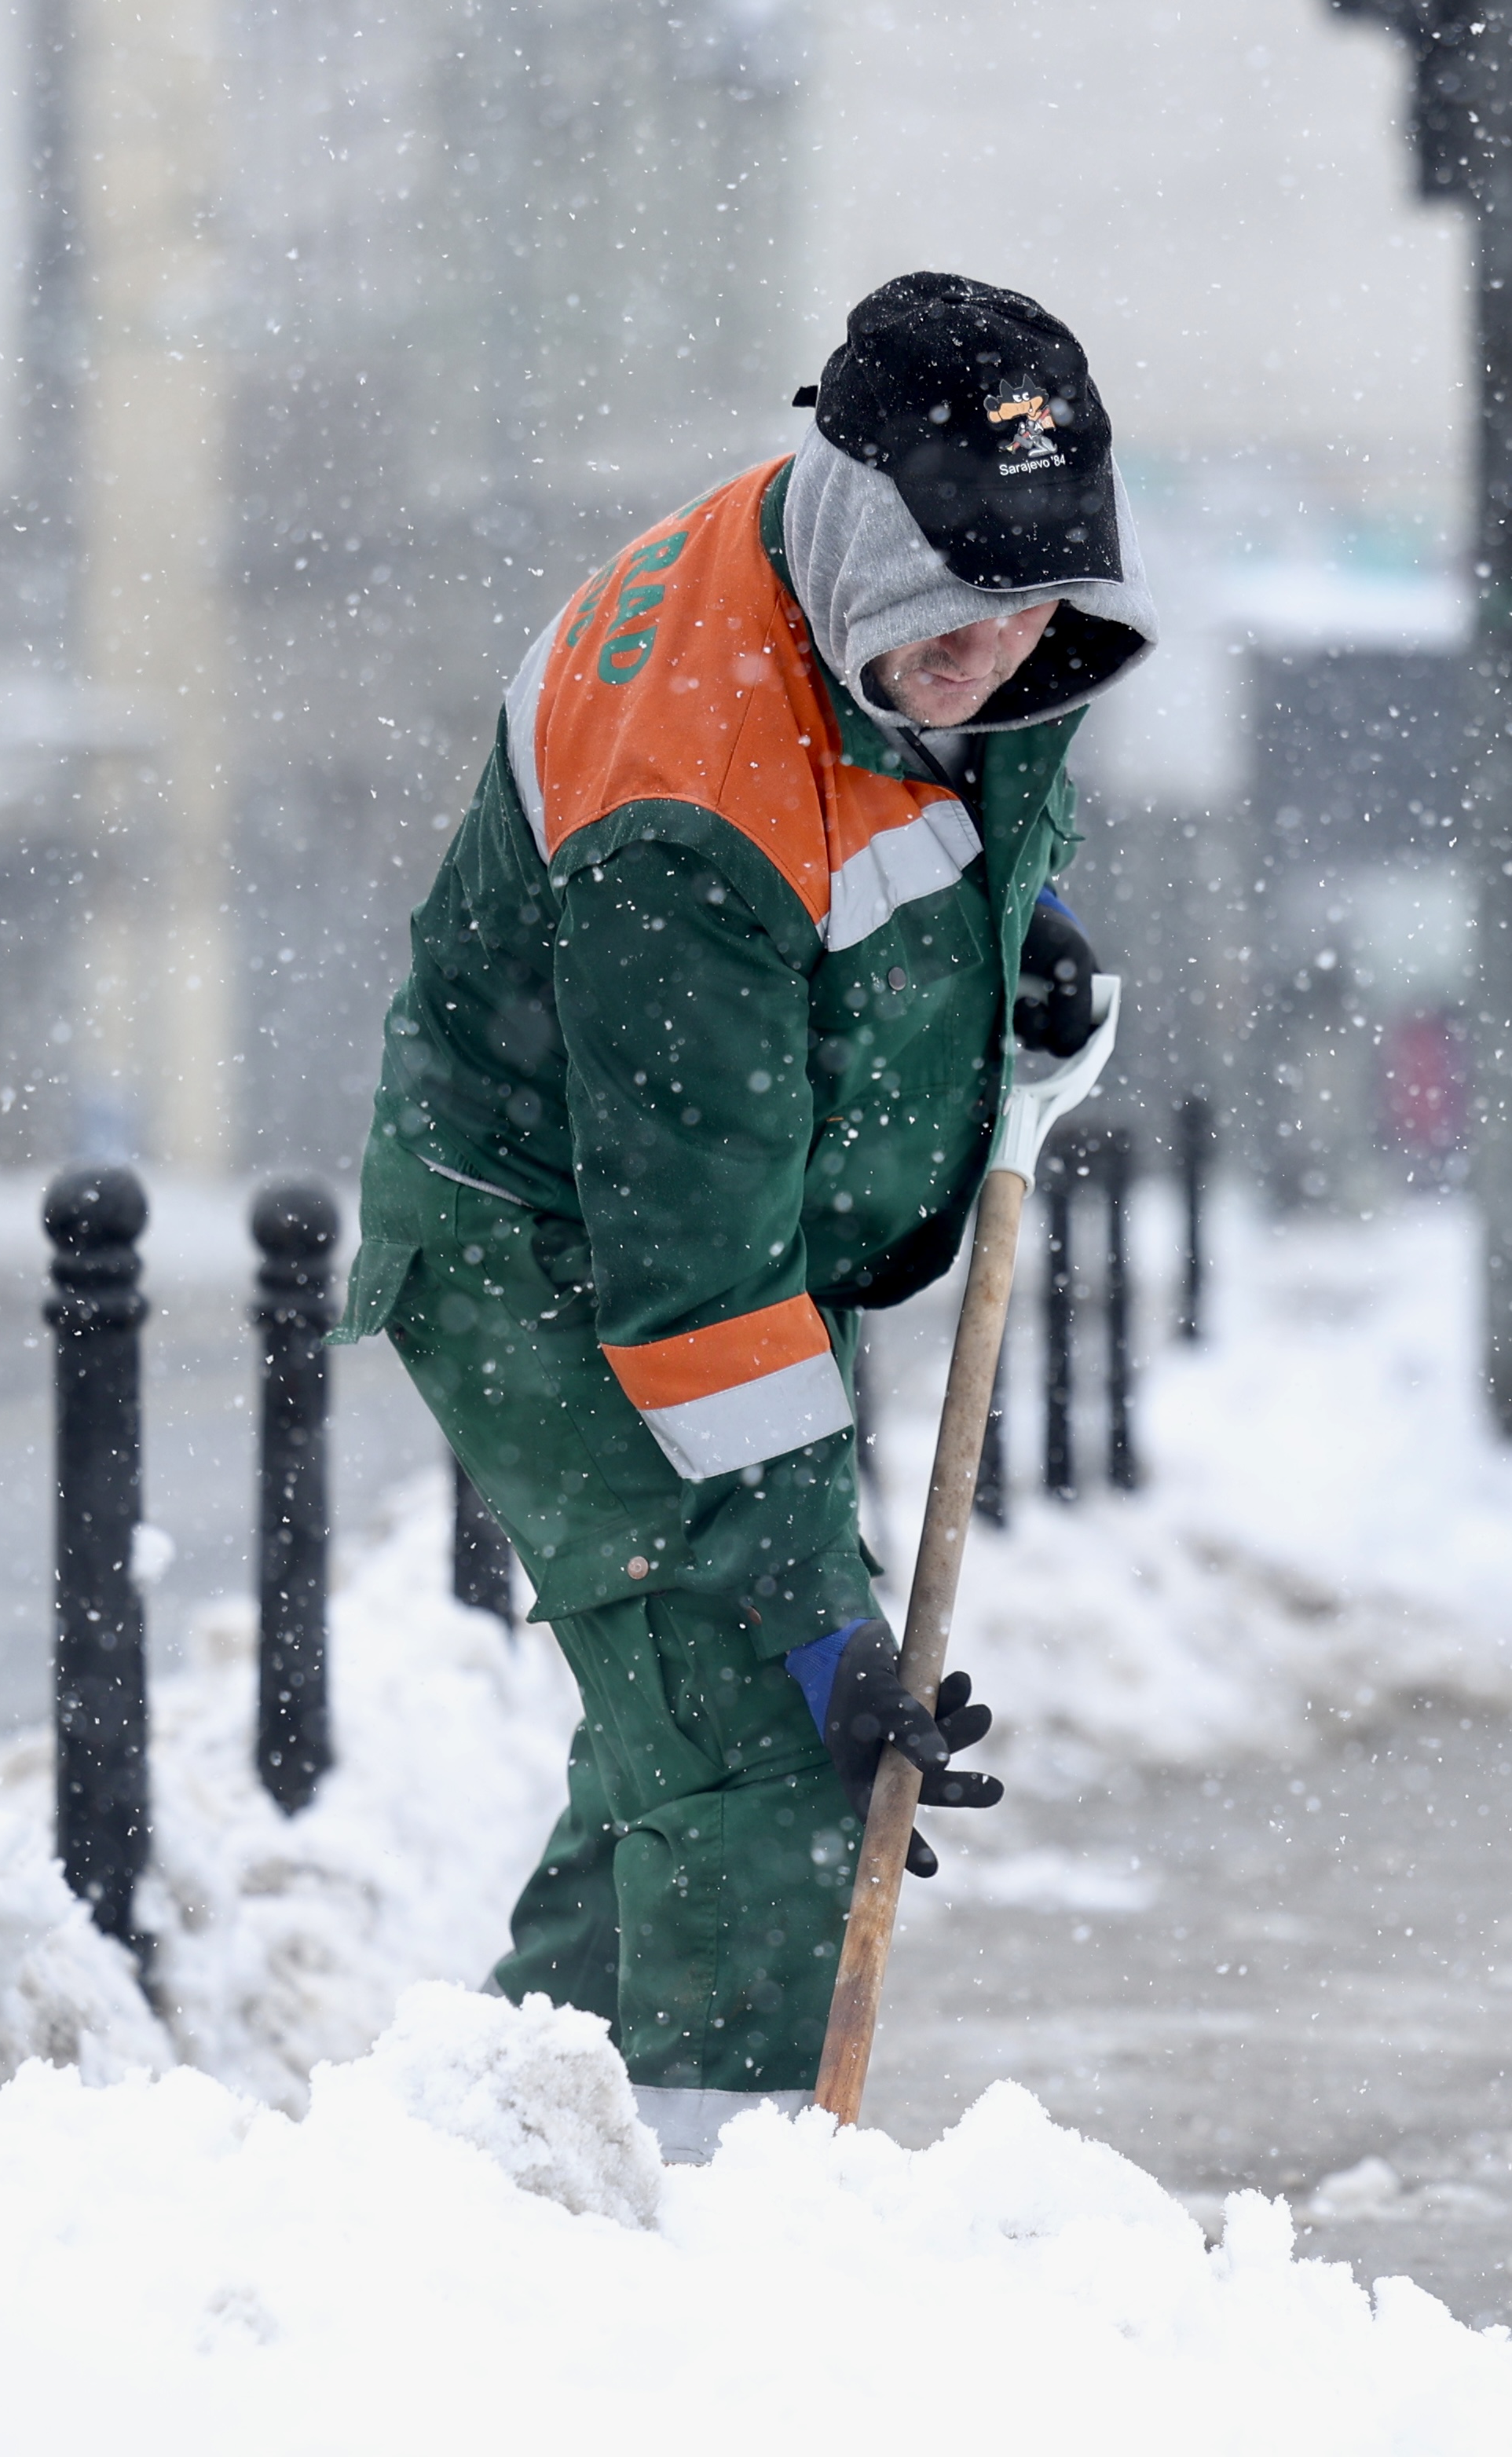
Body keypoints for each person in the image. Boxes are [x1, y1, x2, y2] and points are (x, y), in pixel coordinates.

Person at [335, 273, 1158, 2149]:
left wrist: (1008, 933)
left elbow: (943, 800)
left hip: (733, 1191)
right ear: (866, 538)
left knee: (686, 1724)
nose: (998, 652)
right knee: (771, 1750)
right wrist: (817, 1628)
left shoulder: (919, 594)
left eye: (1035, 600)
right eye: (952, 616)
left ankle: (507, 2162)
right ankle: (719, 2243)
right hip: (552, 1244)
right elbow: (693, 1294)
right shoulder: (680, 811)